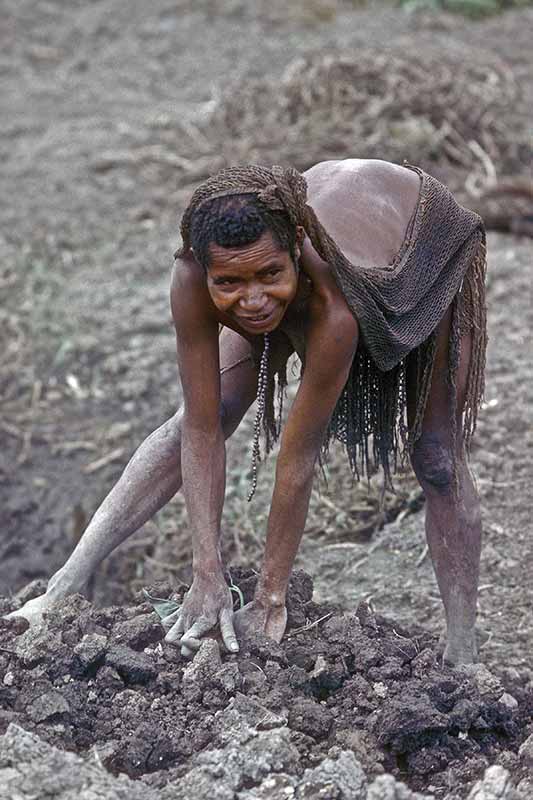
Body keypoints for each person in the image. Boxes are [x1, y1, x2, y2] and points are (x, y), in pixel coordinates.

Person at [8, 159, 487, 666]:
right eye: (230, 283)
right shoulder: (193, 275)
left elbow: (296, 458)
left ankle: (464, 650)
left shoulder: (334, 306)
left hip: (416, 244)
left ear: (296, 250)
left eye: (269, 275)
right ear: (205, 268)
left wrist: (270, 599)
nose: (254, 301)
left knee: (436, 457)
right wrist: (206, 574)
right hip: (314, 245)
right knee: (205, 417)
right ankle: (62, 588)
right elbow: (198, 425)